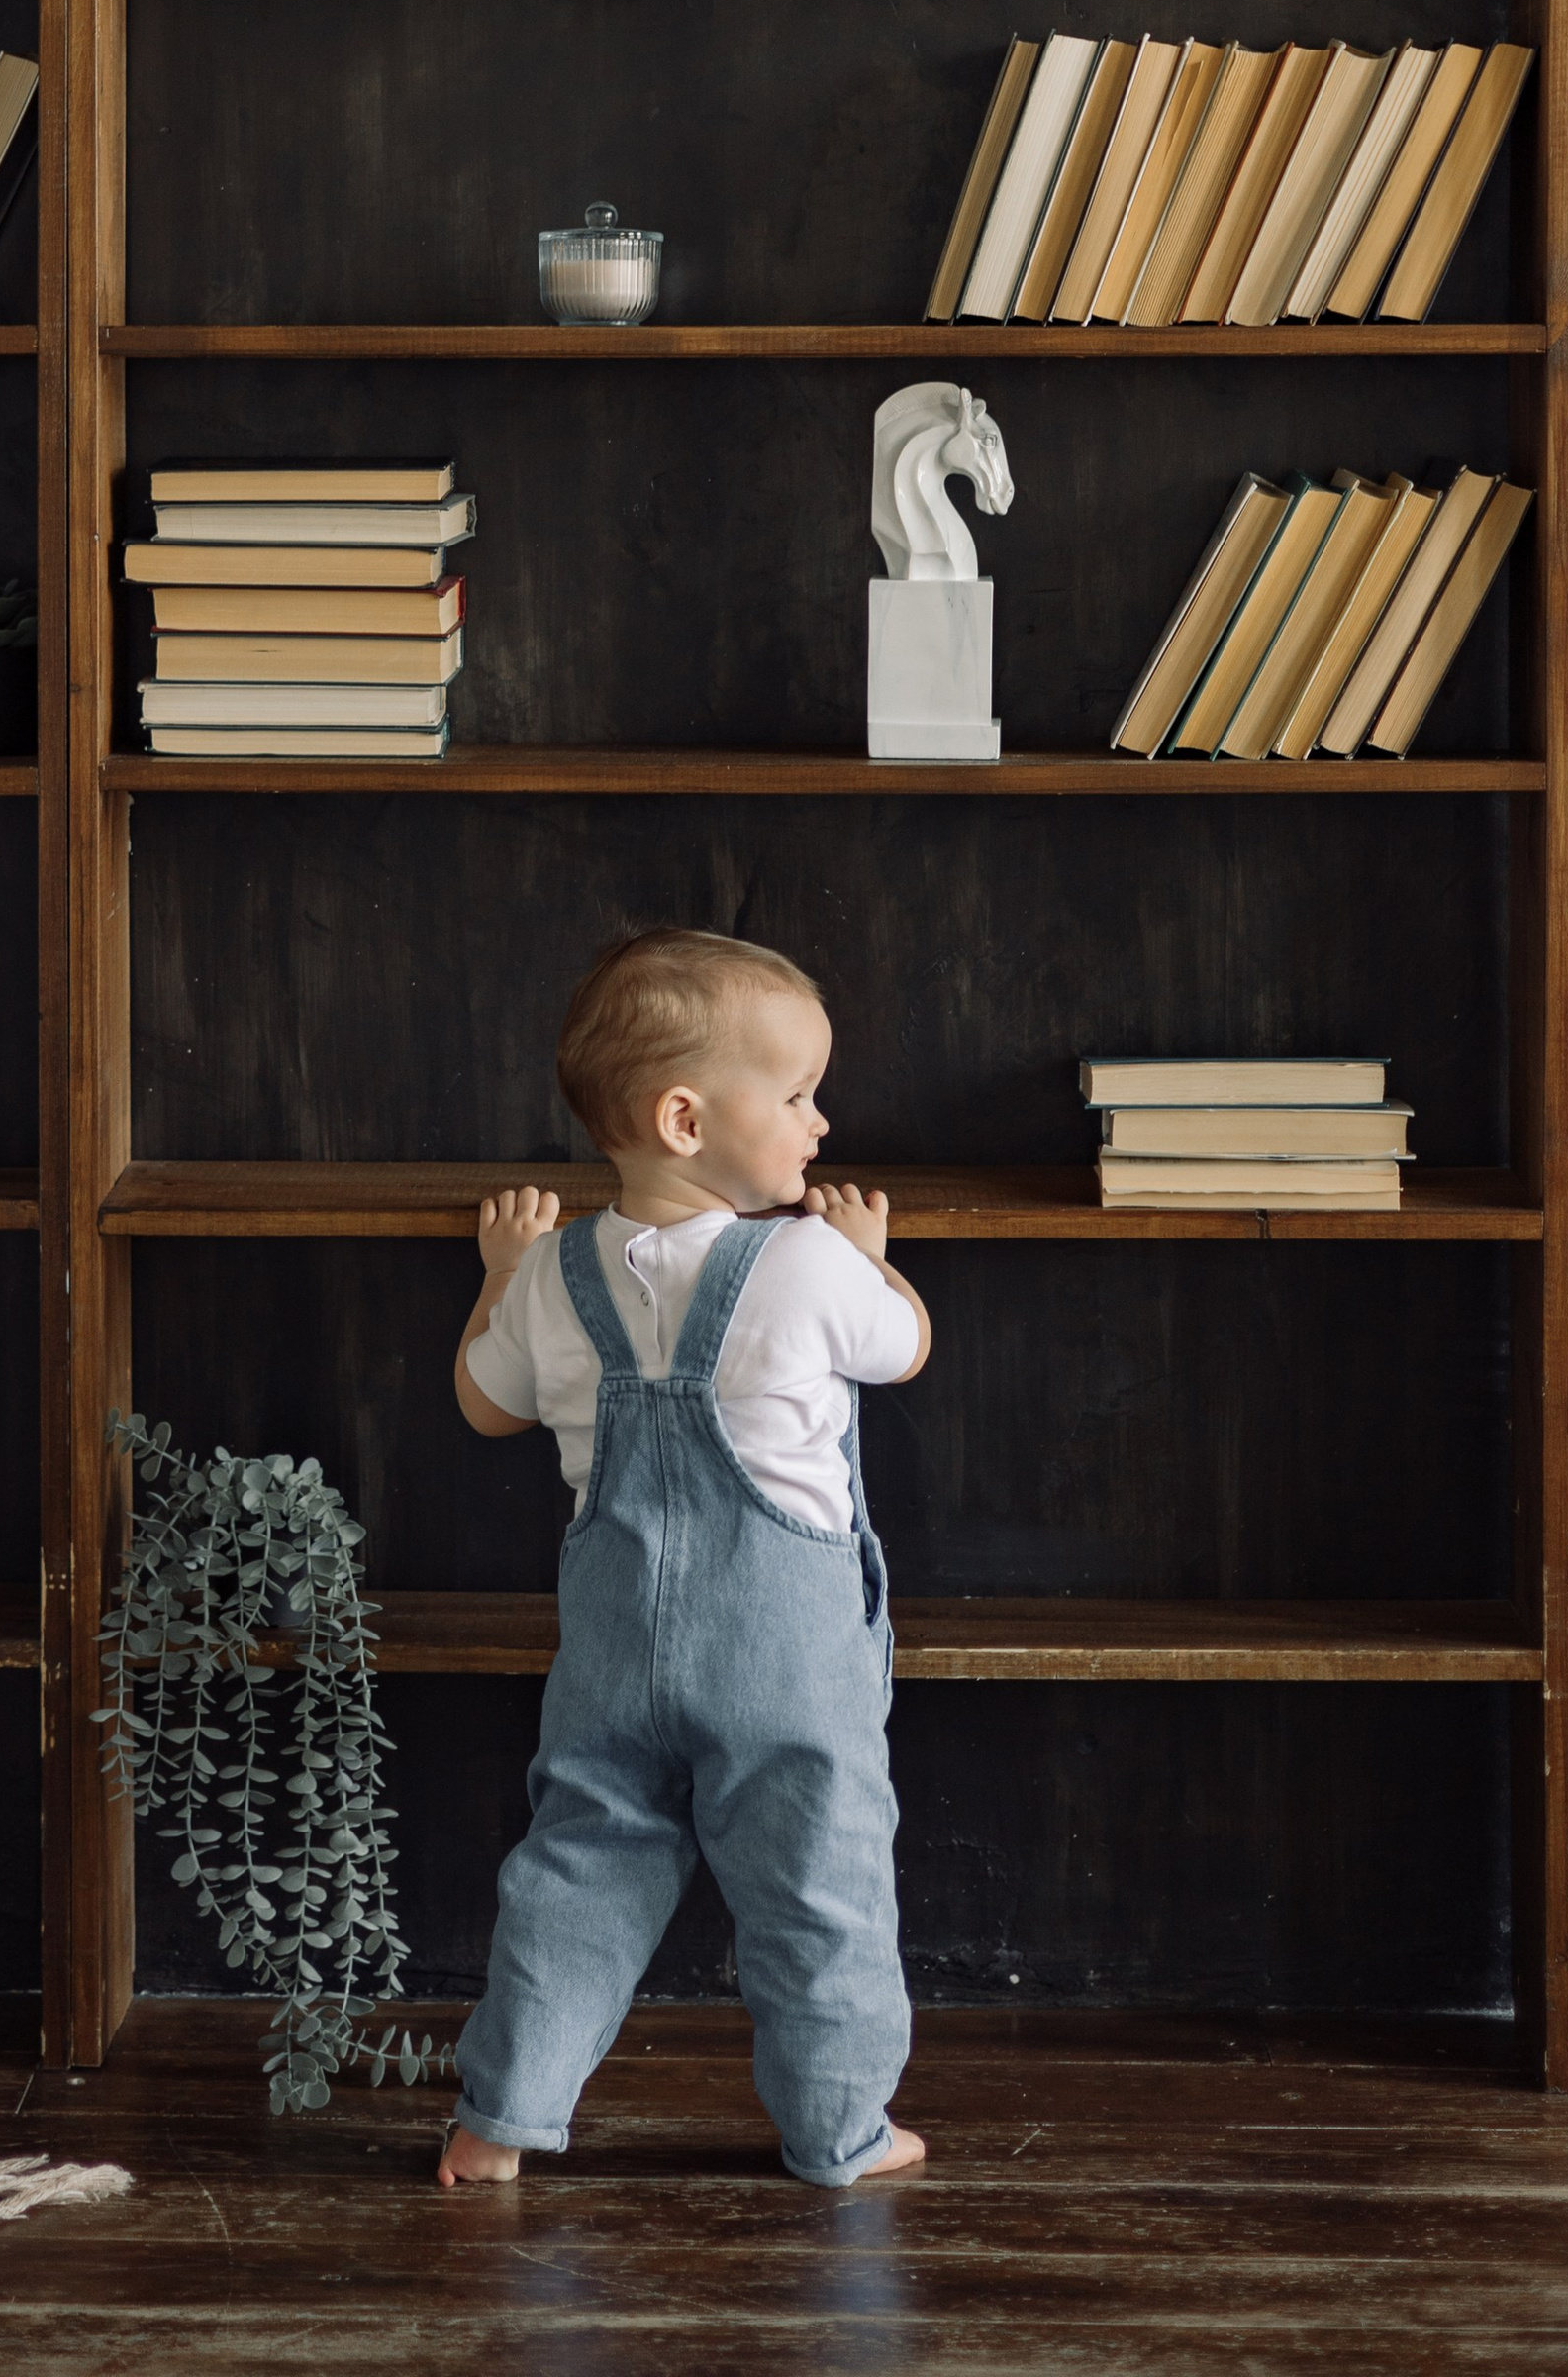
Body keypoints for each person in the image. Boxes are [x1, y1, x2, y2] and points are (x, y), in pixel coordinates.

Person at [439, 924, 930, 2191]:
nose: (820, 1124)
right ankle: (839, 2132)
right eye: (798, 1096)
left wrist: (494, 1280)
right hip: (784, 1664)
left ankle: (499, 2121)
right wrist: (877, 1259)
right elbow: (902, 1348)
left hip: (610, 1653)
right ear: (682, 1116)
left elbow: (486, 1407)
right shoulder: (813, 1260)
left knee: (577, 1868)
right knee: (817, 1884)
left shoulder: (551, 1274)